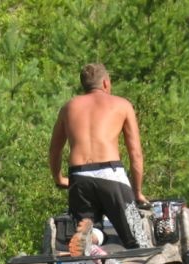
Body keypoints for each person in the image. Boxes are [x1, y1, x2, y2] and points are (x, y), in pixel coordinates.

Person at [49, 63, 151, 254]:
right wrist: (137, 192)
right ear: (105, 83)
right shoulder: (122, 105)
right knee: (138, 240)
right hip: (110, 173)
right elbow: (135, 153)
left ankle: (90, 237)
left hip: (79, 176)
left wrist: (59, 178)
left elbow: (55, 150)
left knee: (92, 227)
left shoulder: (68, 107)